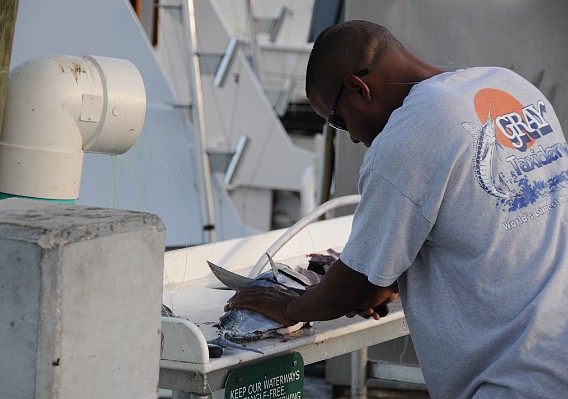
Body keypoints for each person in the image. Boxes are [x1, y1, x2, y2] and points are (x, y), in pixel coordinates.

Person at [225, 20, 568, 398]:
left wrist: (291, 308)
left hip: (513, 380)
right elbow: (492, 227)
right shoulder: (508, 86)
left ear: (359, 88)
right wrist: (382, 284)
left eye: (338, 121)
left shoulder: (409, 136)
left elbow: (356, 287)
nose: (353, 136)